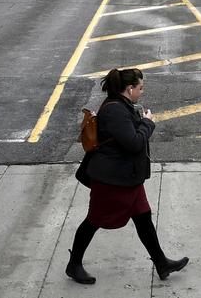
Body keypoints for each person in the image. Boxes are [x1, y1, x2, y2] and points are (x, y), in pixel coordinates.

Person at [66, 68, 188, 285]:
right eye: (140, 88)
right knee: (94, 220)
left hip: (127, 178)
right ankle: (74, 264)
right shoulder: (115, 111)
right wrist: (148, 123)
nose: (142, 92)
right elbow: (133, 143)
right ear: (129, 89)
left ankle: (161, 263)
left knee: (143, 218)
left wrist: (140, 121)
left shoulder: (122, 106)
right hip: (112, 181)